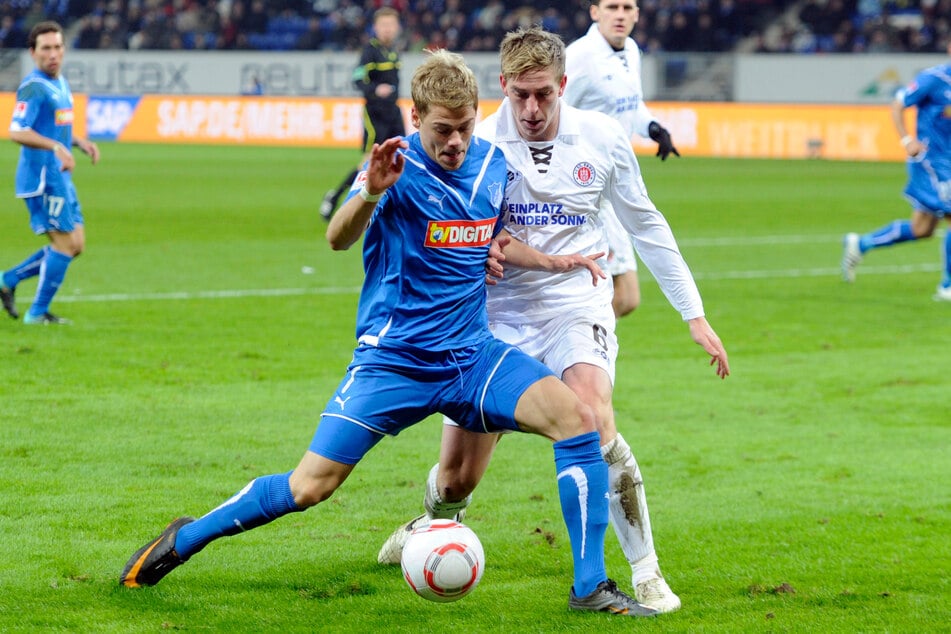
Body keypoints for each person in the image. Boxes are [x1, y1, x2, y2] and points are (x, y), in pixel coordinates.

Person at [119, 50, 656, 618]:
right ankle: (184, 538)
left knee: (578, 420)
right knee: (309, 487)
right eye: (442, 130)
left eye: (465, 127)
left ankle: (590, 587)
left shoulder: (494, 165)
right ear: (416, 118)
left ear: (477, 114)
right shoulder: (394, 168)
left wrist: (551, 262)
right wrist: (371, 191)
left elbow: (494, 240)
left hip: (472, 356)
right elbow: (337, 238)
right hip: (393, 362)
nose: (454, 141)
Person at [377, 27, 730, 615]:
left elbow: (647, 224)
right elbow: (436, 228)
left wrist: (694, 315)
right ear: (503, 88)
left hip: (576, 299)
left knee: (593, 416)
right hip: (496, 310)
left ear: (563, 84)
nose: (533, 109)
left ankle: (643, 571)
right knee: (458, 477)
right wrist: (479, 249)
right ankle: (434, 521)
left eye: (543, 94)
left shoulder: (602, 138)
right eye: (520, 96)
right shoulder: (479, 141)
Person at [563, 0, 679, 318]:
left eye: (628, 8)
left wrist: (653, 128)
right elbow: (551, 113)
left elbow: (633, 104)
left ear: (637, 15)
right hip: (584, 190)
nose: (620, 14)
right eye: (612, 6)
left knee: (625, 299)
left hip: (614, 187)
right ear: (594, 12)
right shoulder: (578, 57)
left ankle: (566, 358)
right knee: (618, 296)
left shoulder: (631, 51)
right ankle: (564, 356)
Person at [1, 21, 100, 325]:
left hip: (60, 177)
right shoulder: (33, 87)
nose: (53, 54)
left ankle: (8, 279)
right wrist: (56, 148)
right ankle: (37, 313)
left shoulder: (60, 82)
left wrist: (76, 141)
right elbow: (16, 130)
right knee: (66, 245)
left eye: (57, 47)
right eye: (46, 48)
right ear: (33, 53)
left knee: (76, 244)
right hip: (41, 179)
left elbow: (53, 127)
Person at [841, 41, 951, 301]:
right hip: (931, 162)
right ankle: (947, 286)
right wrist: (906, 140)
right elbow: (898, 104)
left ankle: (862, 243)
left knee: (922, 229)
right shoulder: (933, 79)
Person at [319, 7, 405, 221]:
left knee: (405, 154)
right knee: (369, 161)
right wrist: (375, 90)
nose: (387, 30)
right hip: (375, 114)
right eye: (383, 25)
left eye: (391, 25)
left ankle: (398, 205)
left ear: (397, 28)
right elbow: (357, 78)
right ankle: (336, 197)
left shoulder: (393, 51)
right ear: (375, 28)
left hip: (393, 112)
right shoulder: (370, 51)